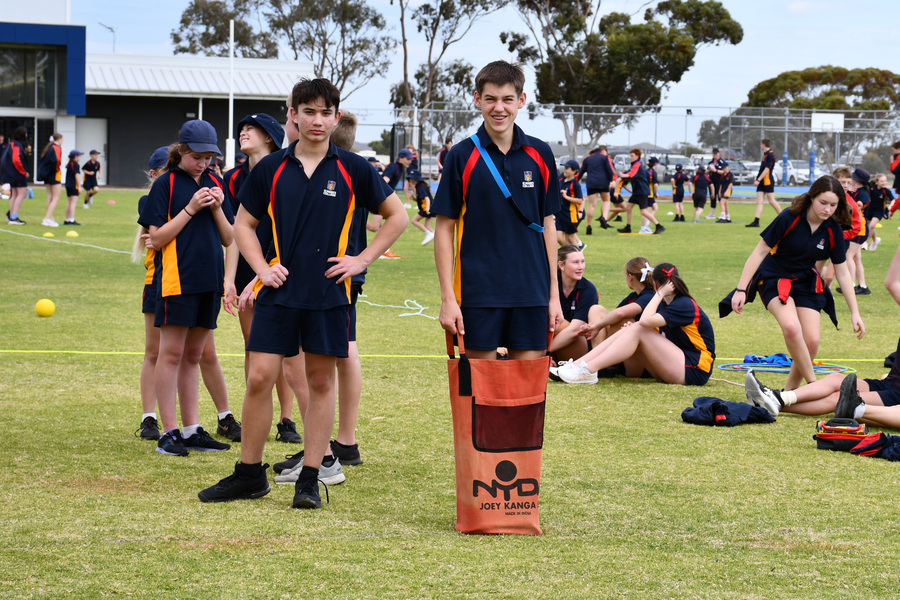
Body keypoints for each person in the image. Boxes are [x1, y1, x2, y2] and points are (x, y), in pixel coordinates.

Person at [198, 78, 407, 508]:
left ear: (335, 117)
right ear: (292, 115)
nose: (317, 120)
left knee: (319, 381)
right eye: (308, 111)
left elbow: (396, 217)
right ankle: (249, 474)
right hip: (279, 293)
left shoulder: (354, 168)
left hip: (330, 293)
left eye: (325, 112)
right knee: (259, 377)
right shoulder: (271, 168)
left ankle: (310, 478)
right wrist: (261, 269)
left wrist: (361, 260)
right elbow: (244, 226)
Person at [432, 60, 562, 365]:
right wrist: (448, 299)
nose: (498, 108)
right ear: (477, 100)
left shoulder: (540, 154)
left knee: (526, 392)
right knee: (480, 392)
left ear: (521, 100)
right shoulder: (461, 155)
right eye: (490, 99)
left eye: (507, 99)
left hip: (532, 293)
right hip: (477, 295)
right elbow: (443, 229)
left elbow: (547, 224)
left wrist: (554, 297)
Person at [138, 120, 235, 457]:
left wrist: (218, 206)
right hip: (176, 280)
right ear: (181, 151)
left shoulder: (214, 181)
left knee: (194, 355)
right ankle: (168, 432)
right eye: (197, 156)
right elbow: (157, 238)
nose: (203, 163)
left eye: (209, 157)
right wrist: (191, 208)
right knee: (172, 354)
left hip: (209, 280)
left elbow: (229, 237)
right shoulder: (164, 184)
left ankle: (192, 430)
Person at [728, 175, 865, 390]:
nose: (827, 209)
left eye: (833, 205)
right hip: (774, 278)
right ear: (812, 198)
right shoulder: (788, 217)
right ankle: (813, 386)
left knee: (811, 342)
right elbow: (759, 252)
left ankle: (789, 395)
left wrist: (855, 312)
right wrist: (741, 289)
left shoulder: (833, 230)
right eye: (823, 203)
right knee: (792, 328)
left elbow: (844, 273)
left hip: (806, 281)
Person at [221, 112, 303, 444]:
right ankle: (255, 417)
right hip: (246, 273)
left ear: (269, 136)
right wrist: (230, 280)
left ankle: (286, 419)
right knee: (254, 348)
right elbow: (236, 235)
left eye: (250, 129)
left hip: (280, 271)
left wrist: (262, 277)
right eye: (241, 128)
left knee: (287, 350)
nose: (243, 132)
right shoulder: (231, 178)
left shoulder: (288, 172)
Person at [551, 262, 715, 386]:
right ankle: (578, 366)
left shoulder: (683, 304)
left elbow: (643, 321)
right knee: (634, 328)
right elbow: (662, 336)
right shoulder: (667, 303)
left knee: (638, 328)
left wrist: (658, 294)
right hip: (676, 365)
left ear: (656, 284)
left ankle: (589, 370)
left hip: (694, 370)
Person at [548, 245, 606, 363]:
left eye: (582, 262)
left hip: (580, 347)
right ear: (561, 265)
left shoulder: (588, 289)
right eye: (575, 262)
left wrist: (544, 352)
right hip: (554, 343)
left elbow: (575, 330)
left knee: (557, 322)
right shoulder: (551, 285)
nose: (581, 267)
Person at [579, 256, 657, 344]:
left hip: (648, 343)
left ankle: (599, 355)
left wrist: (597, 326)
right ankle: (596, 353)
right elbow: (614, 315)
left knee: (625, 321)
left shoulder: (650, 295)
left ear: (630, 277)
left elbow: (620, 313)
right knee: (596, 310)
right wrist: (591, 326)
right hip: (630, 342)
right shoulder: (634, 296)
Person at [371, 148, 412, 259]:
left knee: (379, 226)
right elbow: (384, 180)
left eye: (411, 159)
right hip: (380, 199)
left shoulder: (399, 168)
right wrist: (383, 199)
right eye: (408, 159)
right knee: (375, 226)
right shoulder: (395, 167)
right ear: (400, 158)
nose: (410, 161)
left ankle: (384, 251)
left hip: (381, 198)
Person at [616, 148, 664, 235]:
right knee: (628, 208)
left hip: (642, 192)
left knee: (643, 212)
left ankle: (658, 226)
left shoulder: (637, 165)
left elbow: (632, 174)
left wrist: (624, 175)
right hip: (637, 192)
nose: (630, 157)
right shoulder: (635, 165)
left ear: (637, 157)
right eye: (630, 155)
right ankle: (628, 227)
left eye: (632, 156)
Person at [579, 145, 616, 232]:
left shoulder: (587, 158)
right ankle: (604, 218)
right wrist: (611, 180)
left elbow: (581, 172)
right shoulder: (605, 157)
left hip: (591, 183)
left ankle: (588, 225)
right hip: (604, 183)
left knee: (591, 204)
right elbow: (609, 170)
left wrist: (576, 180)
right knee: (606, 200)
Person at [746, 138, 781, 228]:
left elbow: (767, 169)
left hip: (767, 181)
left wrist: (758, 180)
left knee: (771, 200)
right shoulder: (765, 154)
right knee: (759, 201)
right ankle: (756, 221)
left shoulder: (770, 155)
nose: (760, 146)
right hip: (762, 181)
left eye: (761, 144)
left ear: (764, 144)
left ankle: (783, 217)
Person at [848, 168, 871, 294]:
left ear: (856, 180)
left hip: (858, 230)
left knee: (848, 256)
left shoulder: (863, 194)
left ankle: (850, 284)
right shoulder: (855, 192)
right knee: (856, 258)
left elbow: (858, 206)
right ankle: (863, 286)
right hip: (857, 229)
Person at [2, 127, 29, 225]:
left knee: (14, 195)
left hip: (11, 173)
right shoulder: (17, 145)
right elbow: (16, 159)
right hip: (17, 173)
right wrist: (23, 172)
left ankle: (11, 216)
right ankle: (14, 217)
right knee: (22, 193)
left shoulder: (11, 143)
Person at [556, 159, 585, 249]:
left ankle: (576, 256)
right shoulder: (561, 179)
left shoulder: (575, 185)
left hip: (570, 215)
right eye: (564, 168)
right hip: (560, 214)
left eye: (567, 168)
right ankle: (572, 254)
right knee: (558, 238)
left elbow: (580, 200)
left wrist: (566, 196)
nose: (564, 170)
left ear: (574, 171)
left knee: (570, 238)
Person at [37, 133, 63, 227]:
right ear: (59, 139)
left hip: (47, 175)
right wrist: (57, 170)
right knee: (56, 198)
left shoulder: (48, 147)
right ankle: (47, 218)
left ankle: (50, 218)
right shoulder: (57, 148)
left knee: (50, 196)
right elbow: (57, 161)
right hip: (54, 174)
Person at [864, 173, 893, 251]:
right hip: (870, 210)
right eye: (882, 181)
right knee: (870, 226)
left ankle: (865, 242)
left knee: (872, 226)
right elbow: (865, 183)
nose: (884, 183)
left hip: (880, 212)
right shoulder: (872, 188)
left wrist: (890, 207)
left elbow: (893, 200)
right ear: (877, 182)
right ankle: (875, 240)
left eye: (885, 181)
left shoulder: (886, 191)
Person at [407, 168, 435, 245]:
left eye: (412, 178)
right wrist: (414, 199)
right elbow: (421, 199)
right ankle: (438, 238)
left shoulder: (421, 187)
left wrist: (427, 208)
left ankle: (429, 234)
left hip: (426, 207)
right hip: (429, 207)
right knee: (427, 226)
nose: (411, 180)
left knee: (414, 221)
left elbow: (427, 198)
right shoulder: (419, 186)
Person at [61, 150, 83, 226]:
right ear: (76, 157)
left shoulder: (70, 164)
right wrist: (79, 186)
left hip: (68, 185)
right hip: (73, 186)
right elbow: (77, 175)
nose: (80, 157)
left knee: (69, 202)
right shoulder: (76, 165)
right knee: (73, 202)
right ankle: (71, 219)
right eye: (79, 156)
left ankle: (67, 219)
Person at [706, 148, 726, 220]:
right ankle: (712, 213)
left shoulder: (722, 162)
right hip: (712, 182)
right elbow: (706, 171)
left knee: (720, 197)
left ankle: (723, 213)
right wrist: (709, 170)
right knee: (712, 197)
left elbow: (724, 172)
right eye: (714, 154)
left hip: (719, 182)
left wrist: (716, 170)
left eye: (716, 154)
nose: (715, 155)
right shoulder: (711, 162)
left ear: (719, 154)